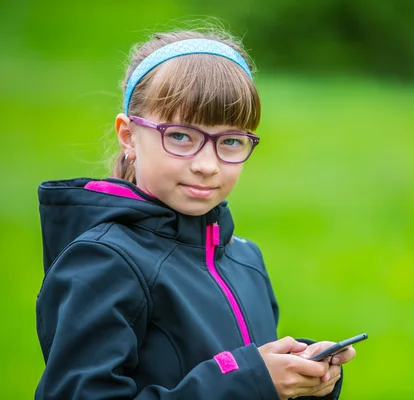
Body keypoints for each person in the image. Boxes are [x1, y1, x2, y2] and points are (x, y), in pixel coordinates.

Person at [35, 28, 356, 399]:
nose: (207, 165)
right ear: (128, 136)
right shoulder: (102, 262)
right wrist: (251, 379)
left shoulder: (245, 259)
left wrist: (301, 379)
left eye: (230, 141)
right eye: (181, 136)